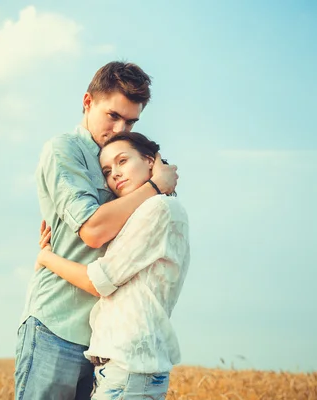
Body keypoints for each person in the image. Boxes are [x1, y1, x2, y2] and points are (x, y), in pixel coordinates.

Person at [14, 61, 179, 400]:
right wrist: (153, 186)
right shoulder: (64, 151)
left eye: (130, 121)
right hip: (55, 326)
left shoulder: (129, 158)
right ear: (88, 103)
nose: (120, 128)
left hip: (106, 341)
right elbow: (92, 231)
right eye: (113, 116)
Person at [35, 131, 190, 399]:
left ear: (151, 161)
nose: (114, 174)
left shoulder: (159, 209)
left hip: (130, 367)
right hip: (126, 368)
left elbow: (99, 281)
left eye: (122, 161)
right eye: (107, 170)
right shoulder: (145, 212)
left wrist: (46, 257)